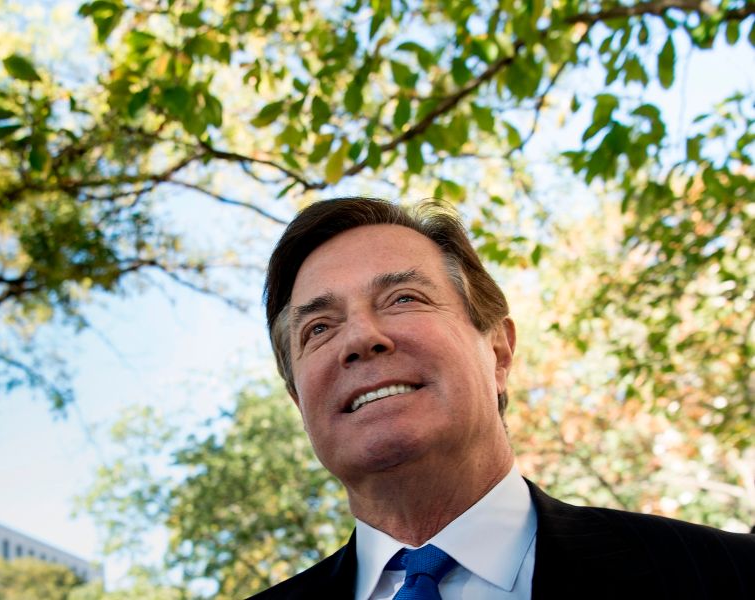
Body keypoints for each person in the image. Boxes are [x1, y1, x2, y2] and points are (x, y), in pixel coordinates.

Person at [250, 197, 755, 599]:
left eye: (403, 299)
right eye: (319, 328)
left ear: (499, 350)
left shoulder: (726, 575)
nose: (361, 338)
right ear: (299, 401)